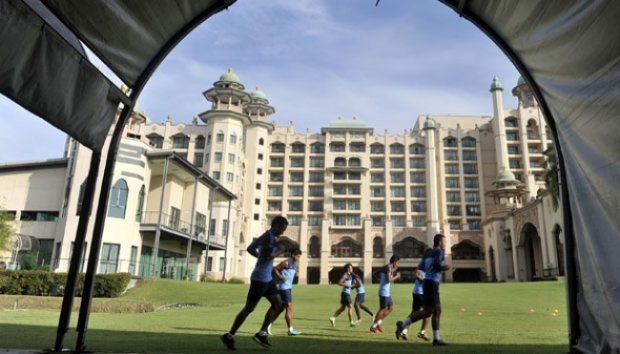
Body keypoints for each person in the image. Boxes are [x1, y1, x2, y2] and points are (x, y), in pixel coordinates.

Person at [221, 216, 289, 350]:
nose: (282, 232)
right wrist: (281, 250)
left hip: (267, 279)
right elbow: (264, 253)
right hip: (259, 280)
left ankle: (262, 333)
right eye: (282, 229)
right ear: (276, 226)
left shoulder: (270, 237)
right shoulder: (268, 237)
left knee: (279, 304)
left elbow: (252, 249)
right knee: (249, 308)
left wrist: (262, 257)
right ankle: (229, 336)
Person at [396, 233, 450, 346]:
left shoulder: (428, 253)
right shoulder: (439, 252)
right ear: (440, 242)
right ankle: (403, 325)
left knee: (433, 311)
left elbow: (420, 267)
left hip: (426, 283)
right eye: (445, 241)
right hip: (432, 283)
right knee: (430, 311)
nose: (446, 243)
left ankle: (436, 338)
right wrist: (445, 267)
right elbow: (436, 265)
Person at [268, 248, 302, 336]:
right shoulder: (286, 262)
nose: (298, 258)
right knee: (289, 307)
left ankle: (268, 325)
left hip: (288, 288)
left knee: (280, 309)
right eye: (297, 256)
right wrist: (281, 277)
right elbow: (275, 268)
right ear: (293, 255)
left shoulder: (295, 264)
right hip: (284, 288)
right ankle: (290, 330)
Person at [397, 267, 430, 341]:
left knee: (414, 312)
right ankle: (422, 332)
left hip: (417, 292)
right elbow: (416, 275)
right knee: (428, 312)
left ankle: (404, 331)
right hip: (421, 293)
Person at [370, 255, 401, 333]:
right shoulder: (388, 268)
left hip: (386, 292)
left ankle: (378, 323)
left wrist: (380, 281)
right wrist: (397, 276)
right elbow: (389, 280)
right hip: (384, 292)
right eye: (398, 262)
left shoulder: (387, 267)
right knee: (382, 309)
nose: (398, 264)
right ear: (394, 262)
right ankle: (373, 327)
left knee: (391, 307)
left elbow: (375, 273)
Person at [329, 263, 356, 328]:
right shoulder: (346, 275)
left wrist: (352, 286)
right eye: (351, 268)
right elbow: (339, 282)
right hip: (345, 293)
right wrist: (347, 285)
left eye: (352, 268)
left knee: (342, 308)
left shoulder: (350, 275)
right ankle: (351, 322)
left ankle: (333, 318)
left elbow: (348, 285)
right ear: (347, 268)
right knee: (350, 307)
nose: (352, 269)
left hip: (345, 293)